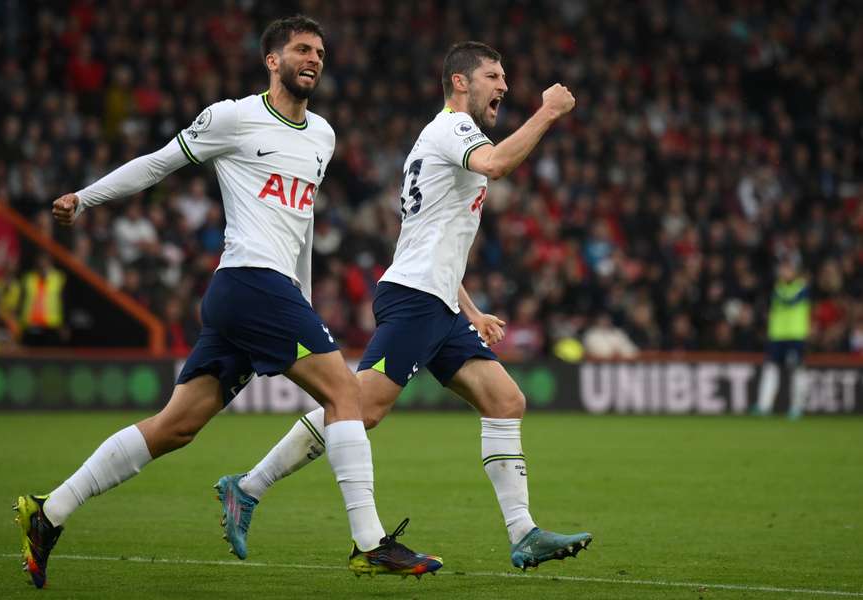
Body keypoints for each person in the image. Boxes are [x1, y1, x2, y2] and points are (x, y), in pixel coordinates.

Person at [14, 15, 441, 589]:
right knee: (346, 393)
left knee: (176, 425)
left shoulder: (323, 136)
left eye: (320, 51)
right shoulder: (233, 116)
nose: (313, 58)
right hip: (246, 281)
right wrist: (85, 199)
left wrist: (305, 300)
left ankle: (49, 512)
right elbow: (159, 162)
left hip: (269, 294)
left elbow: (303, 225)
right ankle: (370, 543)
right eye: (301, 50)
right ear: (272, 60)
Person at [219, 41, 592, 572]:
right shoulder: (454, 128)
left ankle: (523, 532)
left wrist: (471, 310)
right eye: (494, 74)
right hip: (416, 299)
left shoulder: (444, 137)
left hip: (436, 300)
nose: (504, 85)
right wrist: (549, 111)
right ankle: (248, 487)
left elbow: (431, 237)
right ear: (461, 82)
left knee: (505, 401)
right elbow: (499, 164)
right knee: (359, 407)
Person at [753, 257, 811, 419]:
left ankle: (796, 407)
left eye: (787, 269)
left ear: (794, 272)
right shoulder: (778, 288)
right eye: (782, 269)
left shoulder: (801, 288)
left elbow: (789, 301)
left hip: (795, 336)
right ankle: (764, 406)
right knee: (770, 369)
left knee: (796, 370)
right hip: (777, 336)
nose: (783, 272)